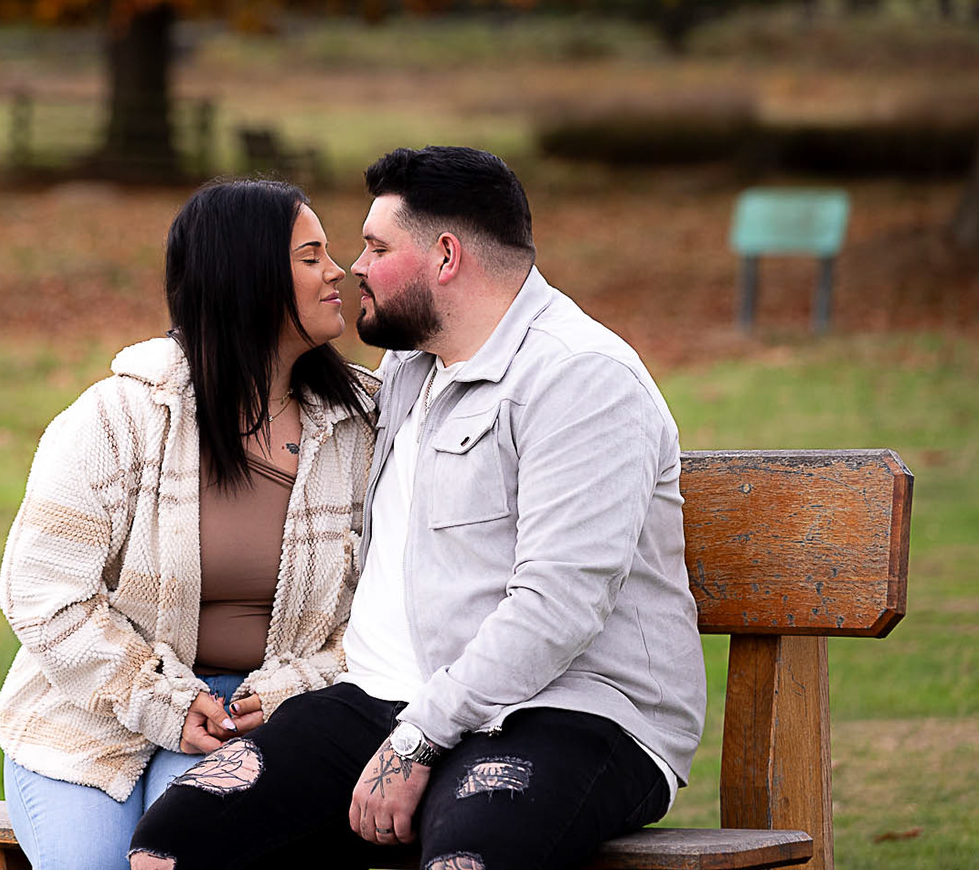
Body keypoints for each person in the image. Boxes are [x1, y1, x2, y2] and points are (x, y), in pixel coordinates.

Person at [131, 146, 706, 870]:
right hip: (380, 701)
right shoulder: (409, 366)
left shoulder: (581, 378)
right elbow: (249, 367)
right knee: (172, 844)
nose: (355, 268)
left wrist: (420, 737)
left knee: (468, 859)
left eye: (377, 248)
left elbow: (560, 602)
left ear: (445, 256)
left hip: (567, 710)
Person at [0, 179, 380, 870]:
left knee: (188, 855)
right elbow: (42, 592)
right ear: (247, 277)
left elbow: (395, 609)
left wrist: (298, 688)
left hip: (259, 724)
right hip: (90, 713)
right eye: (311, 256)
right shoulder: (118, 417)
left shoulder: (363, 425)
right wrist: (160, 700)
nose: (340, 271)